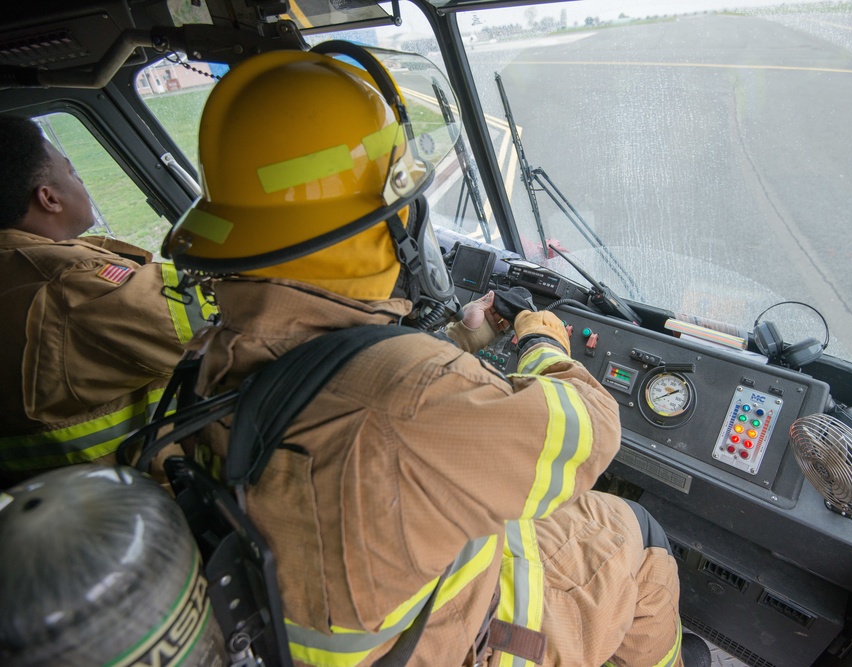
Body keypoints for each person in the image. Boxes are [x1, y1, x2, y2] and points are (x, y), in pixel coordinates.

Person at [161, 45, 683, 667]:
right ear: (388, 224)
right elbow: (586, 436)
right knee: (638, 536)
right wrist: (543, 341)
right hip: (456, 640)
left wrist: (460, 343)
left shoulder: (209, 358)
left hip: (323, 611)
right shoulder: (412, 398)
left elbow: (337, 393)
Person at [0, 114, 215, 486]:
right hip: (156, 500)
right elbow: (223, 316)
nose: (81, 182)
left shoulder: (18, 270)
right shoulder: (68, 284)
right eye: (72, 172)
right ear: (49, 198)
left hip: (65, 504)